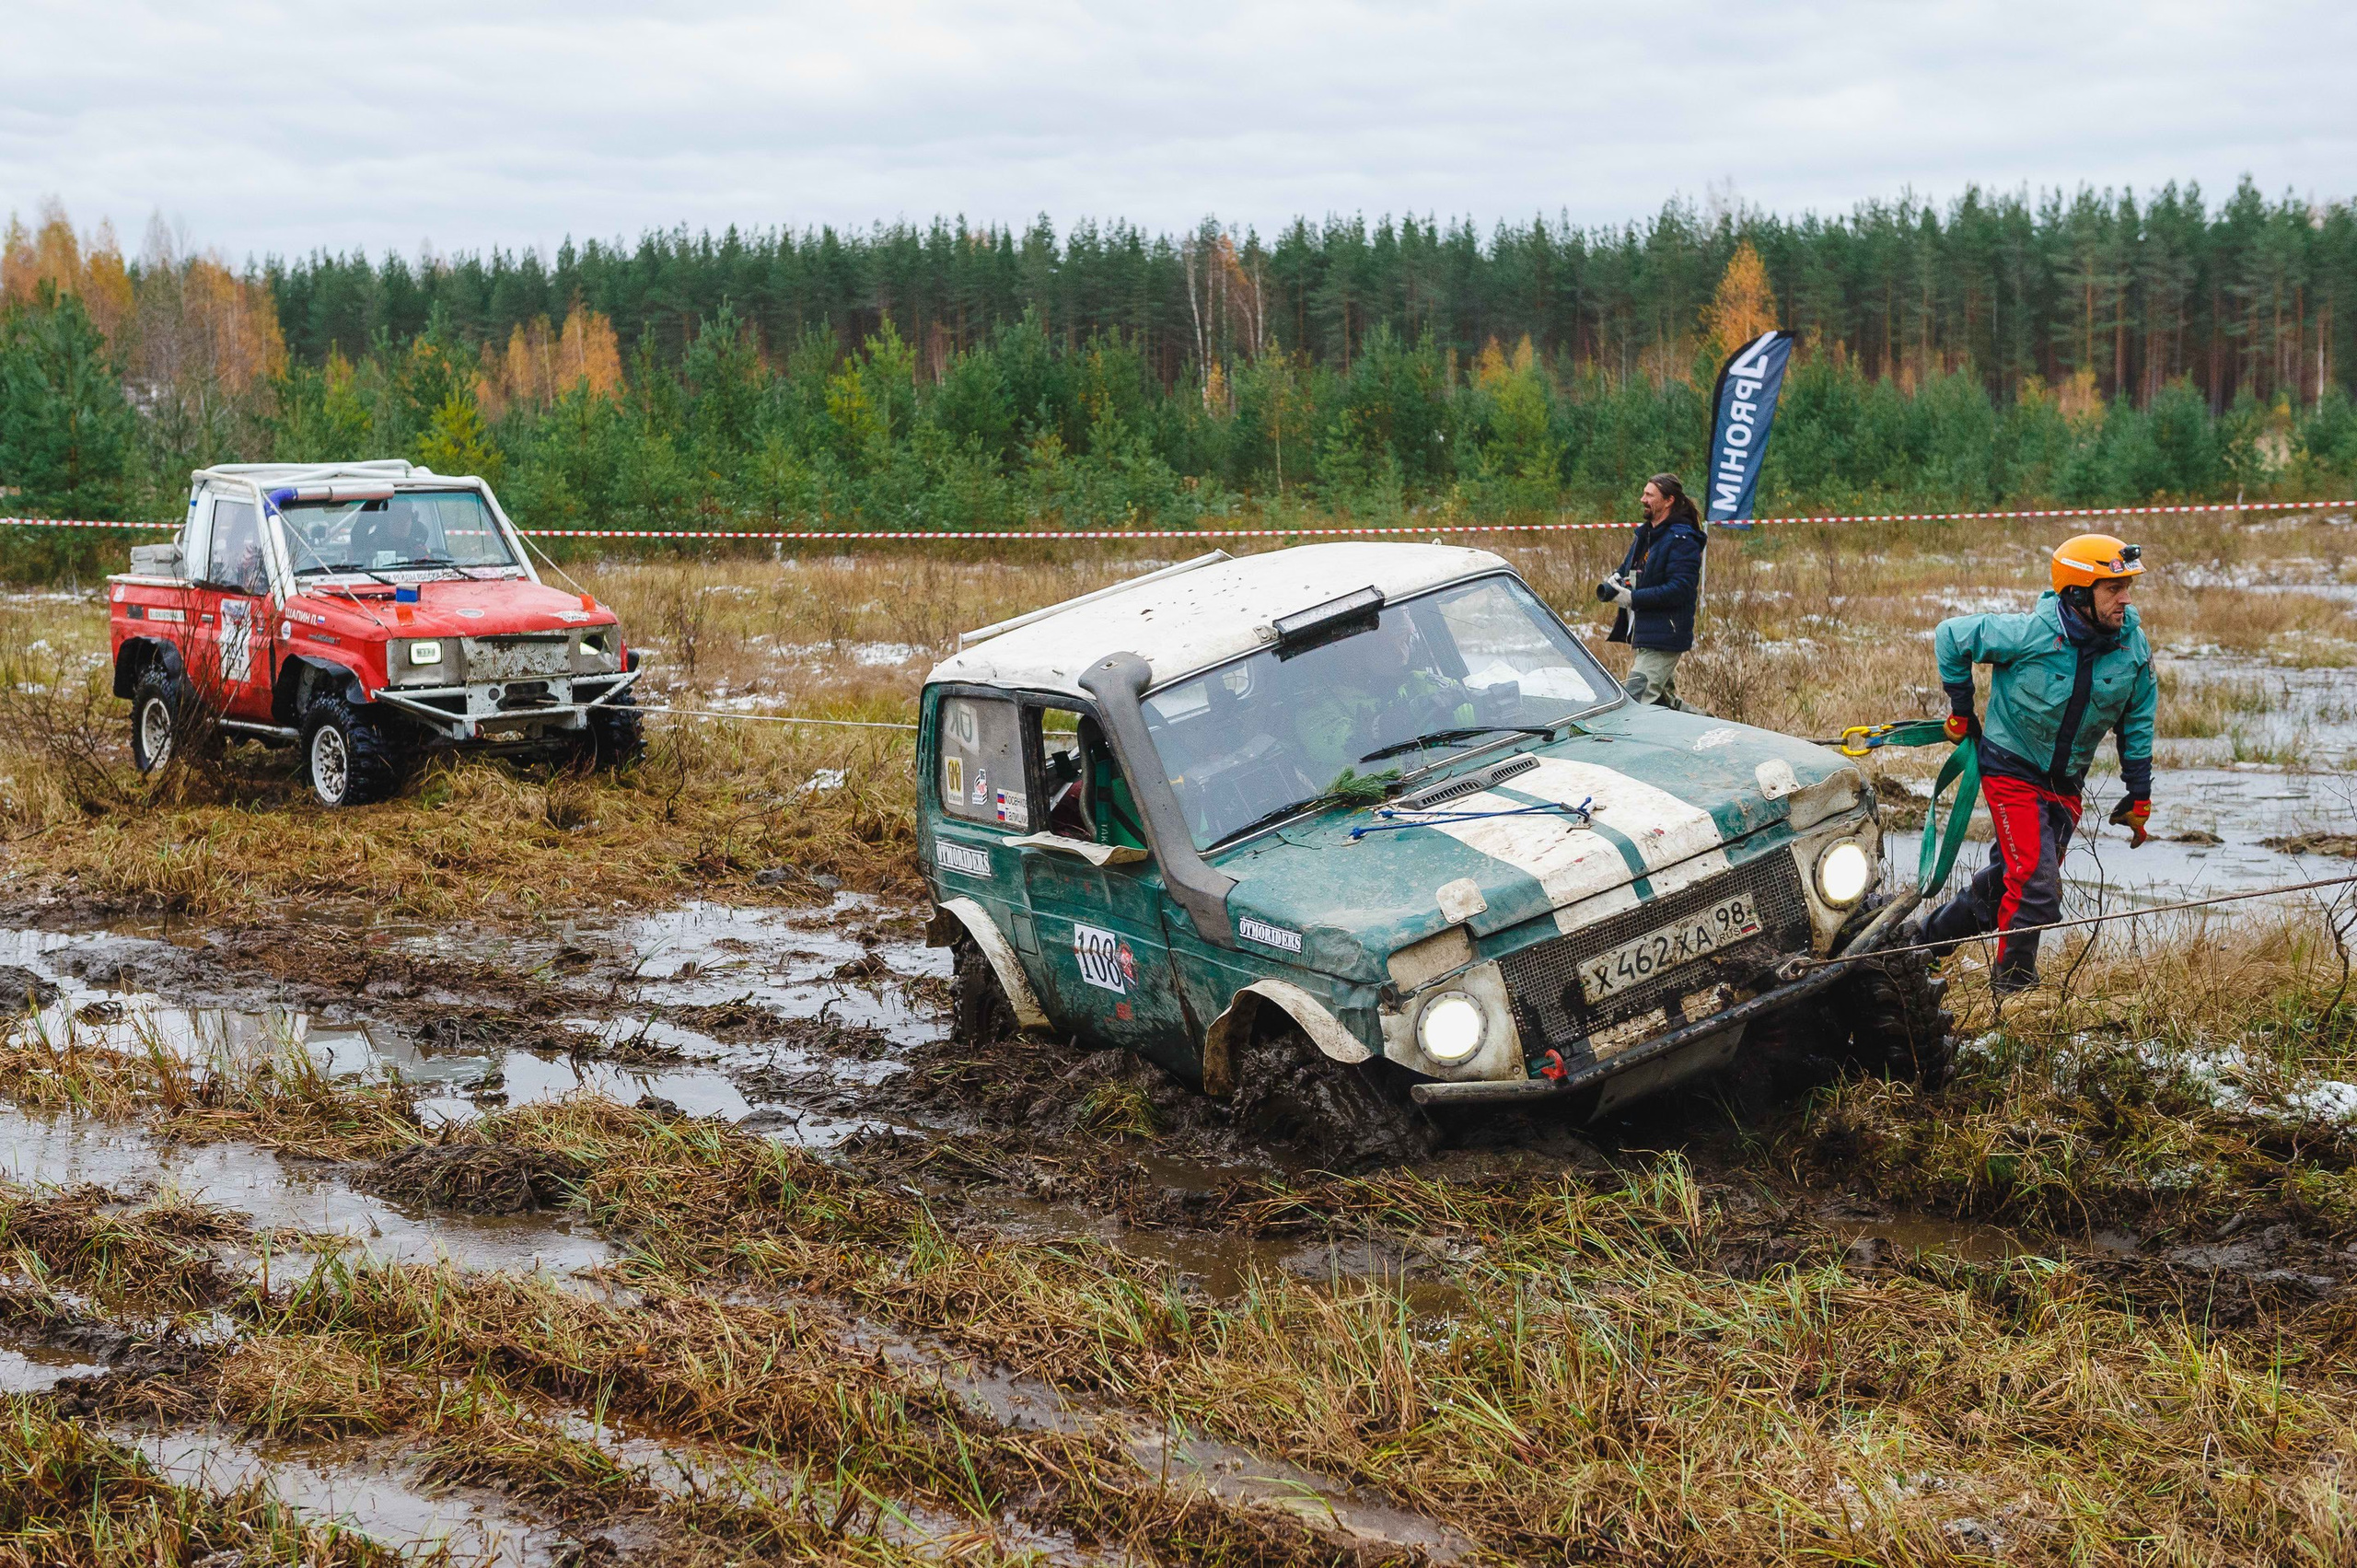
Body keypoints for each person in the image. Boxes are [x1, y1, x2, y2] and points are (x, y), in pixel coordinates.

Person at [1916, 534, 2157, 993]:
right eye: (2113, 588)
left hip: (2066, 784)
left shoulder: (2133, 650)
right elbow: (1951, 635)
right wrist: (1962, 711)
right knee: (2036, 888)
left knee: (2008, 880)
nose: (2125, 598)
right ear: (2077, 592)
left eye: (2127, 586)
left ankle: (1920, 946)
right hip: (2011, 771)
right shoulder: (2030, 633)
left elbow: (2138, 719)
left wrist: (2139, 792)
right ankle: (2014, 991)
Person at [1596, 472, 1706, 710]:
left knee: (1634, 702)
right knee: (1668, 706)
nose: (1642, 499)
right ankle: (1722, 736)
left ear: (1669, 501)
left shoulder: (1682, 539)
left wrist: (1633, 598)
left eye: (1649, 495)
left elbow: (1680, 589)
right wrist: (1617, 580)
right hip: (1644, 633)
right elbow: (1627, 569)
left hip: (1666, 635)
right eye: (1644, 493)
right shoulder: (1645, 535)